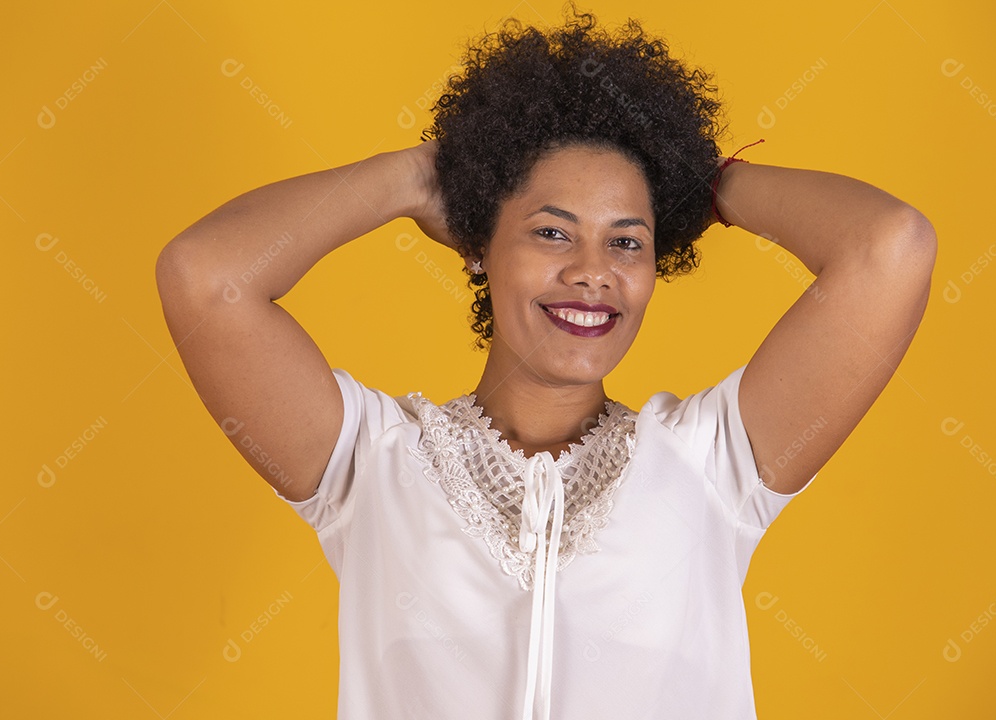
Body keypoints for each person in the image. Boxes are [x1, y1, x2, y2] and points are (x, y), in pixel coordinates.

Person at [155, 5, 935, 719]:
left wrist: (700, 180)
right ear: (476, 249)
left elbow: (890, 248)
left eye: (627, 240)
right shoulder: (368, 466)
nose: (594, 270)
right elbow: (207, 279)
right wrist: (417, 178)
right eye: (552, 232)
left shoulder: (715, 466)